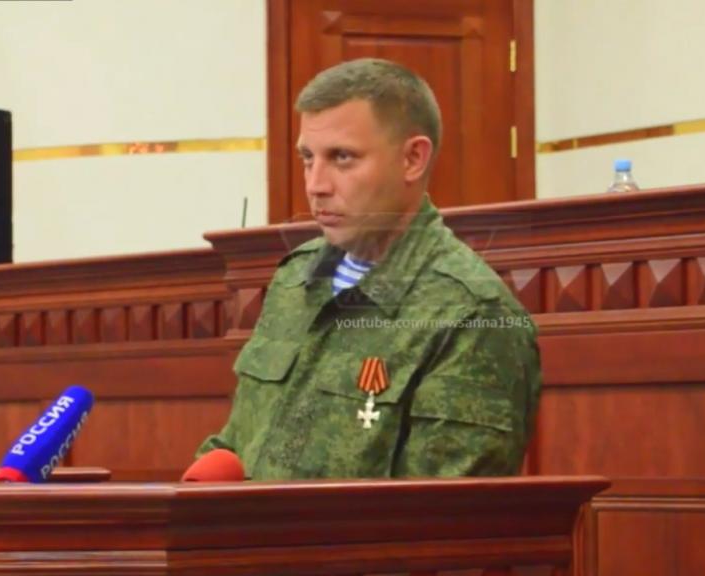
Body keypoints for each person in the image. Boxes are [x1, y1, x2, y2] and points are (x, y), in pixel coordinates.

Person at [196, 58, 541, 479]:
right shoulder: (295, 278)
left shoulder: (472, 314)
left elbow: (444, 520)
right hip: (242, 542)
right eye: (308, 158)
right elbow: (240, 443)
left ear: (413, 159)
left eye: (342, 158)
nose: (315, 185)